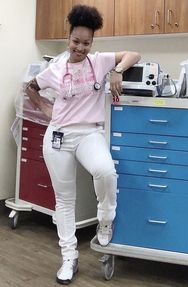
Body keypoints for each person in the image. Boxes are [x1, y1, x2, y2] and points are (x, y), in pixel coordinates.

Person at [25, 4, 141, 285]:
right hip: (59, 137)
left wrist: (117, 71)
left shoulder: (99, 60)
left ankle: (105, 217)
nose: (80, 47)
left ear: (92, 42)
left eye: (86, 43)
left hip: (89, 133)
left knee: (105, 171)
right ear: (68, 39)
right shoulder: (55, 69)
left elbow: (133, 53)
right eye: (76, 41)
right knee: (64, 200)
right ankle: (69, 257)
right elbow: (30, 87)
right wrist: (46, 109)